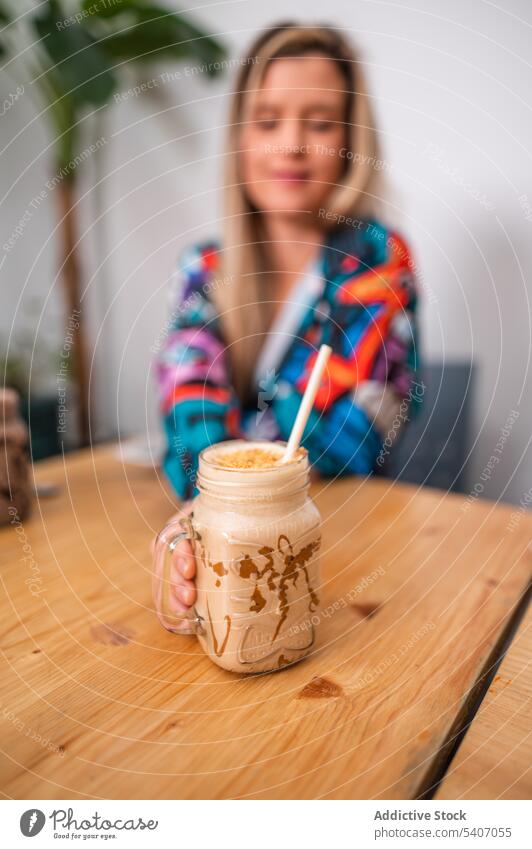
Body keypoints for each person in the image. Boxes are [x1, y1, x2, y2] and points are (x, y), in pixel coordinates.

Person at [153, 22, 419, 631]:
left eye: (320, 122)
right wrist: (201, 519)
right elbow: (184, 406)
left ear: (352, 140)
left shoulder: (380, 262)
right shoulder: (204, 270)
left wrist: (220, 486)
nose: (292, 144)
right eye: (268, 120)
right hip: (218, 532)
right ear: (240, 137)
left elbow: (352, 433)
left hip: (349, 551)